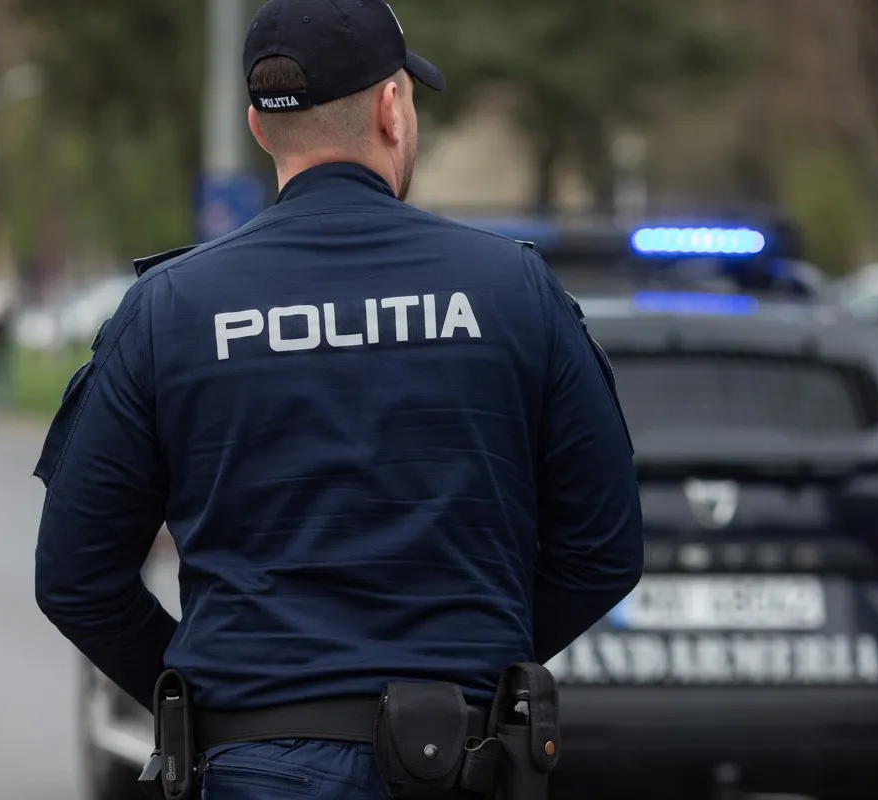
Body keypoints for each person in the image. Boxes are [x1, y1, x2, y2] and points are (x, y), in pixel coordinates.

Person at [32, 0, 644, 798]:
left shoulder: (169, 310)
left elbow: (75, 576)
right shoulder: (513, 290)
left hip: (252, 769)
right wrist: (478, 670)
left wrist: (204, 698)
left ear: (260, 128)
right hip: (456, 763)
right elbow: (604, 548)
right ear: (391, 108)